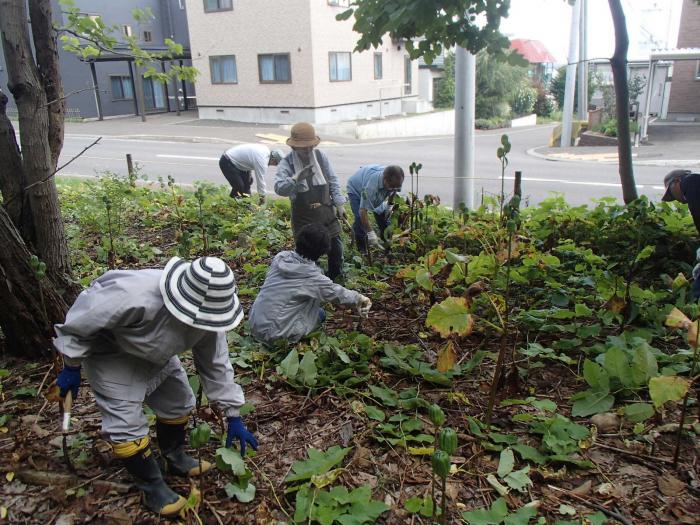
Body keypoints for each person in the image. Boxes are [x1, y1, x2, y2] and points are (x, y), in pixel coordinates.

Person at [54, 256, 257, 516]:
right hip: (111, 353)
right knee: (125, 424)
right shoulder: (132, 294)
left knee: (178, 401)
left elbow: (215, 363)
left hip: (159, 355)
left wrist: (233, 414)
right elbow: (82, 321)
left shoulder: (210, 317)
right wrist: (71, 365)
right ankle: (151, 486)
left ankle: (174, 456)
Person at [248, 223, 372, 345]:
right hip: (274, 335)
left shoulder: (281, 258)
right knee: (320, 314)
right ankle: (295, 342)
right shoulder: (311, 277)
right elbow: (337, 293)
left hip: (255, 324)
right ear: (322, 252)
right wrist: (360, 298)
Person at [274, 122, 346, 280]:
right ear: (293, 147)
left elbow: (332, 179)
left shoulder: (320, 156)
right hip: (304, 218)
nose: (307, 150)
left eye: (309, 147)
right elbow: (279, 188)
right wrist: (295, 179)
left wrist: (339, 204)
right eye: (302, 147)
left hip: (326, 213)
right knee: (308, 256)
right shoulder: (287, 164)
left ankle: (335, 279)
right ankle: (312, 282)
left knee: (336, 251)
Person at [346, 164, 404, 253]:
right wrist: (371, 233)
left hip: (378, 189)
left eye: (397, 186)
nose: (395, 189)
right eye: (392, 187)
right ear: (385, 180)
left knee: (384, 218)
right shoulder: (371, 187)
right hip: (356, 189)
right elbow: (363, 211)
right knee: (359, 219)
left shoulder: (395, 181)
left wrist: (389, 205)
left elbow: (393, 191)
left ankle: (387, 248)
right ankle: (362, 251)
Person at [662, 169, 700, 298]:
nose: (676, 200)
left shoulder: (690, 182)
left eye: (671, 193)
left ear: (677, 181)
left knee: (698, 290)